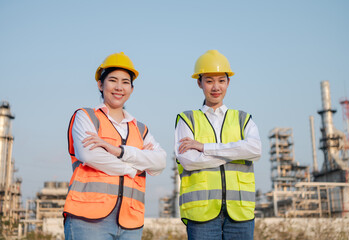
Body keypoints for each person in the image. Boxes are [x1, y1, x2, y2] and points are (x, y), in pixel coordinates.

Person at [63, 52, 166, 240]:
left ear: (132, 89)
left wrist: (119, 151)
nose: (119, 87)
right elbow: (90, 156)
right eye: (113, 80)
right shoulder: (86, 117)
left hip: (131, 222)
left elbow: (160, 162)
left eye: (125, 82)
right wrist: (133, 169)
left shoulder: (141, 129)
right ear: (100, 85)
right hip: (88, 219)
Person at [174, 50, 262, 240]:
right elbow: (189, 161)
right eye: (209, 80)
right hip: (201, 213)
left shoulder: (243, 119)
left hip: (240, 212)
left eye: (221, 80)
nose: (216, 87)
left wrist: (205, 147)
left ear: (228, 82)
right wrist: (236, 152)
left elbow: (254, 150)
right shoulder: (187, 120)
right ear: (199, 83)